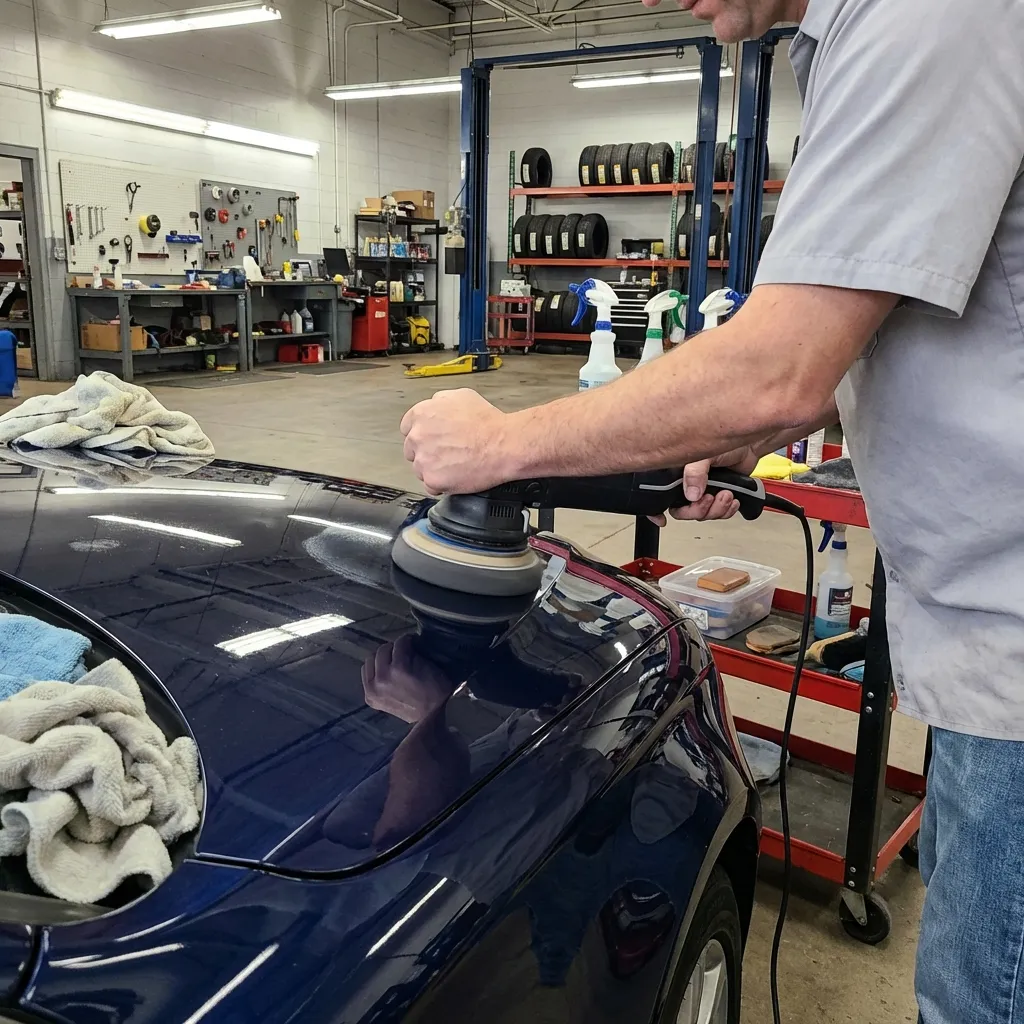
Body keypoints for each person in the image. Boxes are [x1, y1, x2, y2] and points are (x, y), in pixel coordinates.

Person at [401, 1, 1024, 1019]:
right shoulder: (853, 39)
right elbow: (903, 311)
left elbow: (779, 362)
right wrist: (763, 426)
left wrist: (504, 445)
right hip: (980, 641)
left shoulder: (923, 14)